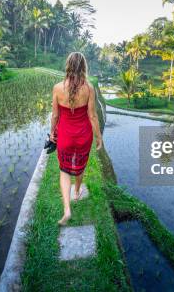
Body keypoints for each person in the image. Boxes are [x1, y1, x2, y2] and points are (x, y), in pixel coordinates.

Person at [49, 52, 103, 226]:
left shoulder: (57, 88)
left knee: (64, 171)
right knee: (79, 167)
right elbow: (93, 116)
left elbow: (55, 116)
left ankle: (67, 210)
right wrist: (98, 137)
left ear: (68, 66)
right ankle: (78, 191)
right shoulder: (88, 88)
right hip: (83, 136)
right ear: (83, 67)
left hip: (64, 136)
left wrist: (52, 133)